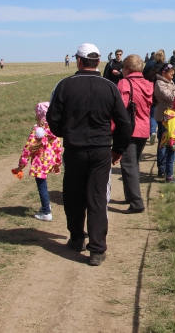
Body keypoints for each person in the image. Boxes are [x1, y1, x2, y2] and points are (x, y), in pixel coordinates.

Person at [46, 43, 130, 266]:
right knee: (97, 197)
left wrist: (66, 133)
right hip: (101, 150)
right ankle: (97, 249)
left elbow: (52, 119)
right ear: (99, 62)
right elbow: (124, 122)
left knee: (73, 196)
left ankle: (76, 238)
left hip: (75, 150)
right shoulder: (109, 87)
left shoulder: (64, 86)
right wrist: (118, 149)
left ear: (79, 61)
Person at [116, 54, 153, 214]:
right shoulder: (148, 84)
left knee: (128, 164)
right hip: (144, 128)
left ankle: (137, 202)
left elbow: (119, 108)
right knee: (134, 163)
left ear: (127, 69)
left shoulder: (124, 83)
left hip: (130, 129)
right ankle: (130, 196)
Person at [16, 102, 63, 222]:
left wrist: (21, 165)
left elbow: (29, 148)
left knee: (41, 186)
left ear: (39, 115)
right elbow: (58, 147)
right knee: (43, 185)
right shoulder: (54, 130)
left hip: (39, 163)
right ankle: (46, 205)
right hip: (50, 161)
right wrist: (57, 162)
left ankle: (46, 212)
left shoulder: (38, 131)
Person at [153, 63, 175, 178]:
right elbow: (172, 97)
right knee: (163, 143)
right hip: (163, 118)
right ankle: (162, 168)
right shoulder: (160, 83)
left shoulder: (169, 82)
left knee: (167, 141)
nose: (172, 77)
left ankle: (165, 168)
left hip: (171, 117)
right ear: (164, 73)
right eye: (171, 74)